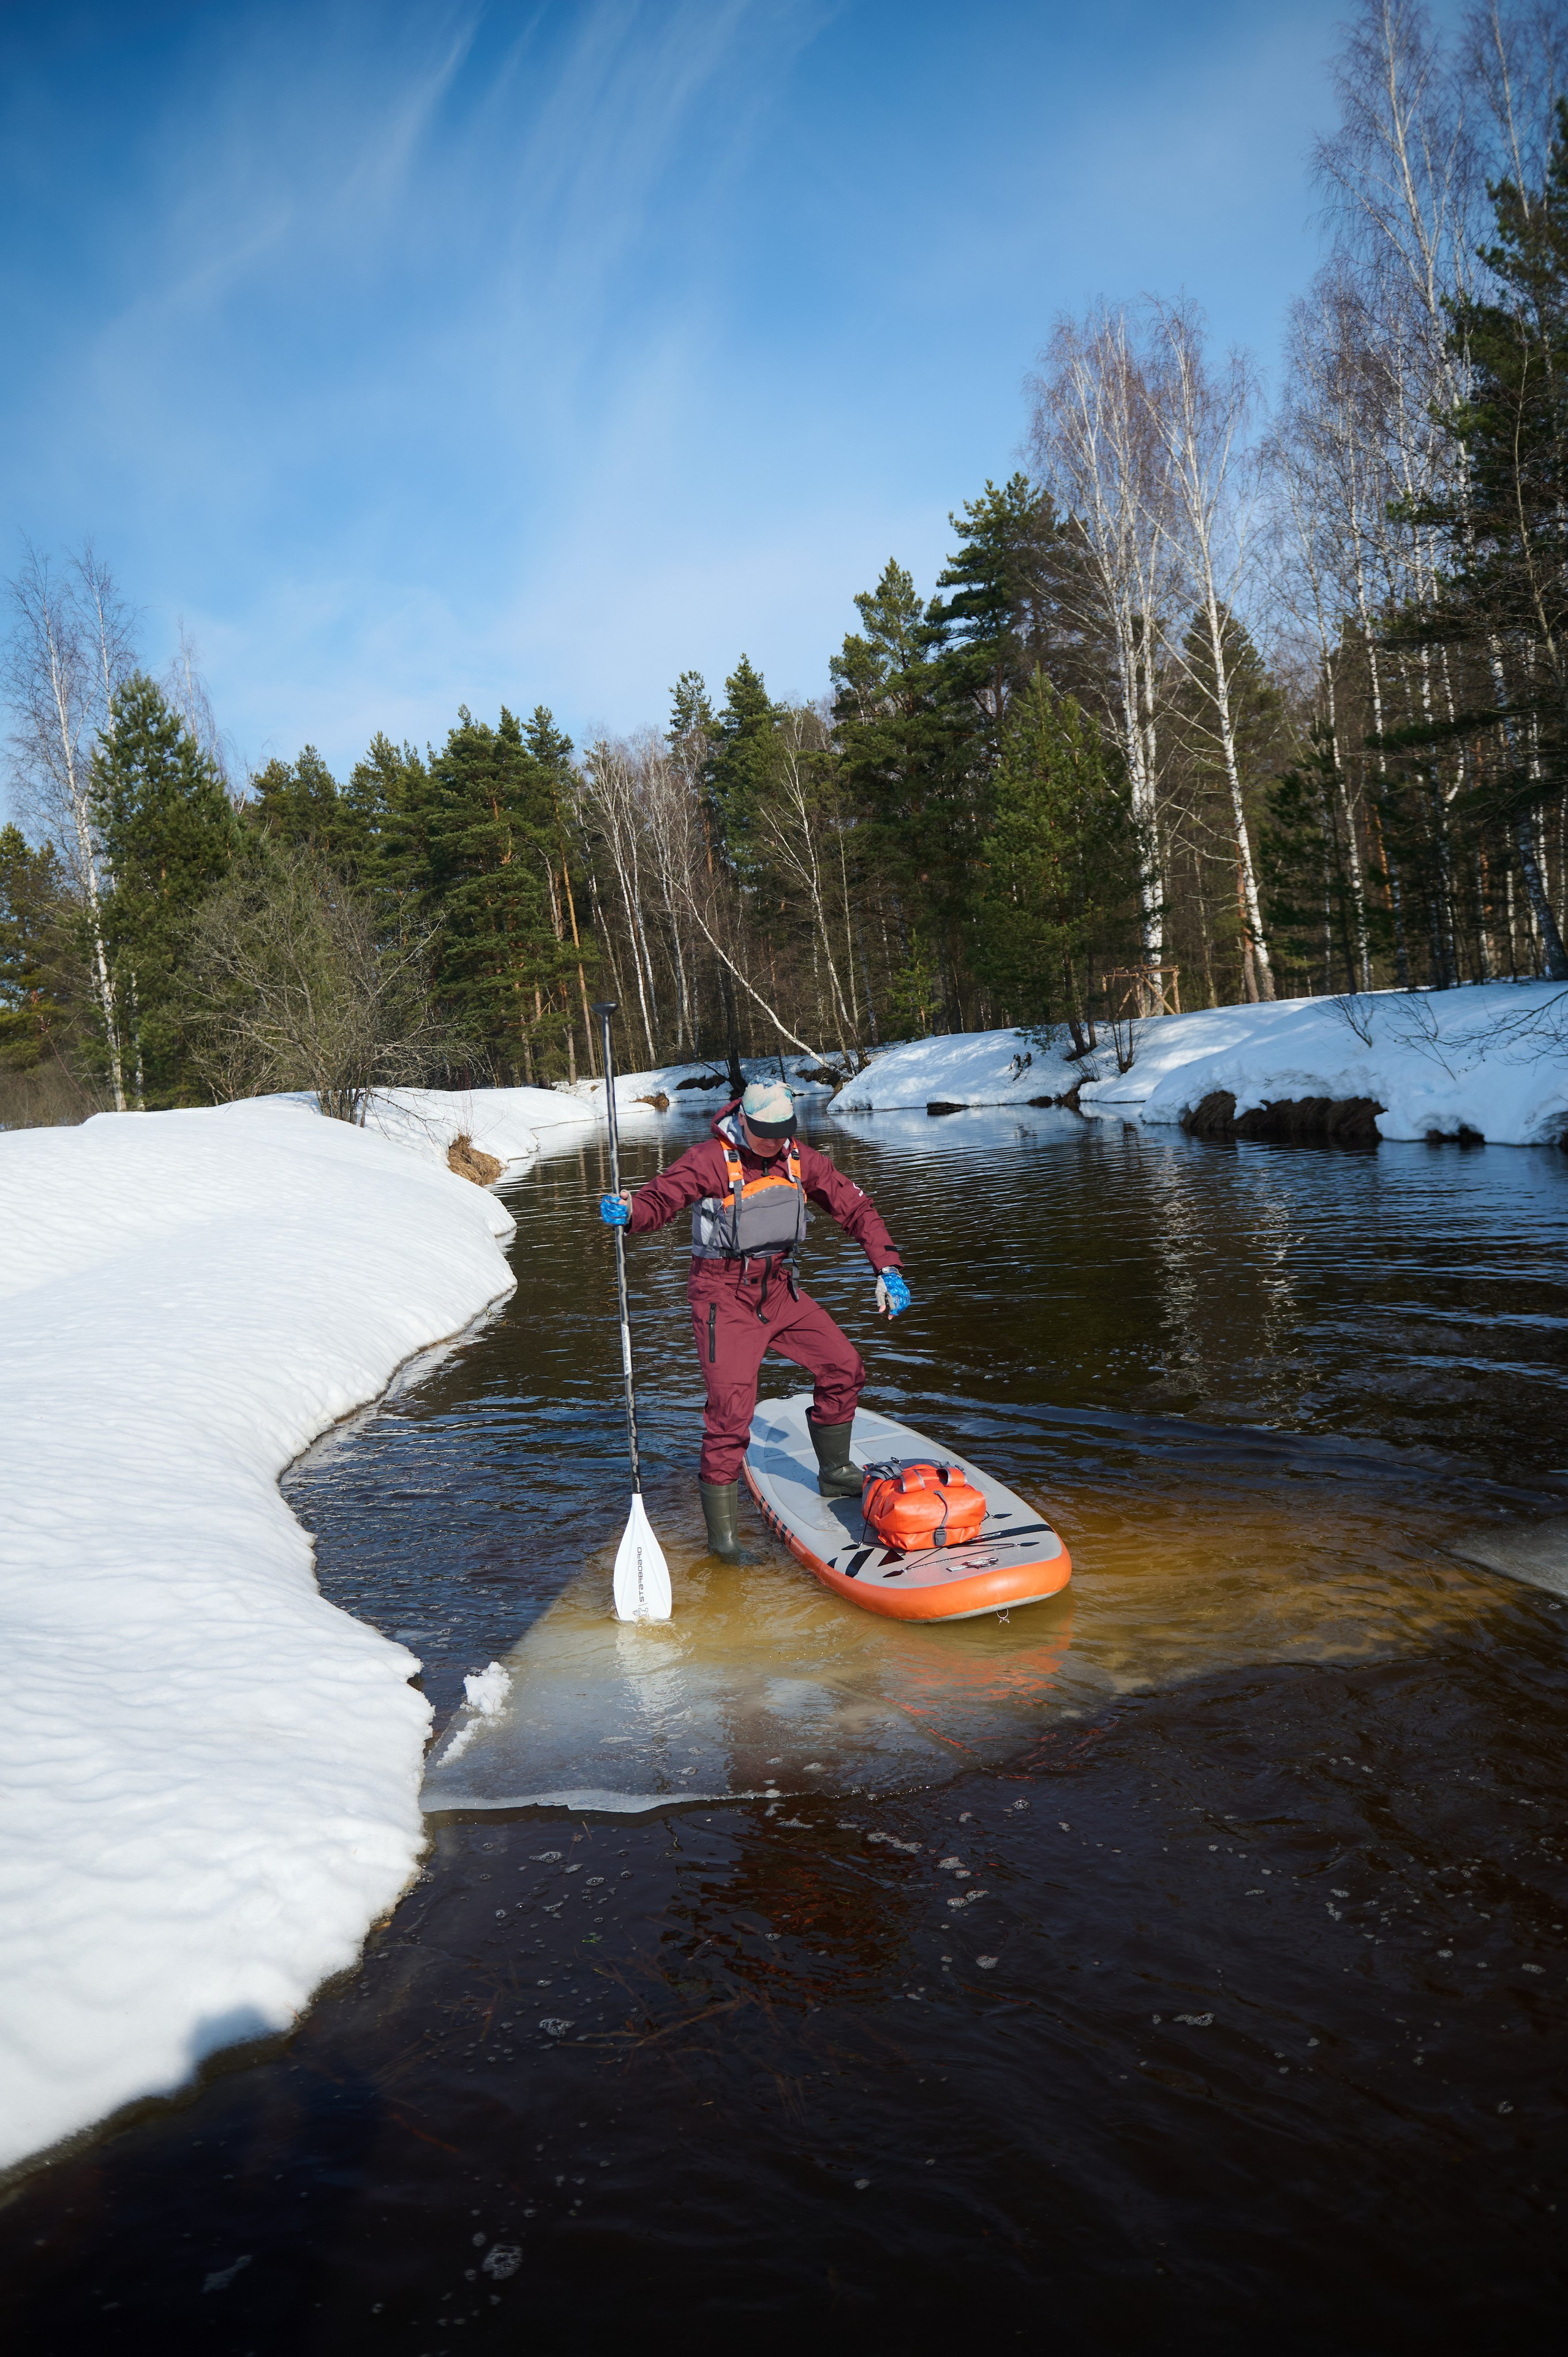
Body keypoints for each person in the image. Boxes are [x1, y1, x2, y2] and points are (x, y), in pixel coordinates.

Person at [598, 1077, 911, 1561]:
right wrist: (631, 1210)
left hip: (778, 1289)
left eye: (783, 1132)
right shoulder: (708, 1160)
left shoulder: (800, 1159)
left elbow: (856, 1208)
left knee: (844, 1367)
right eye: (765, 1132)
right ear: (743, 1120)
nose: (775, 1142)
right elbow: (659, 1202)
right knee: (730, 1415)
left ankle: (835, 1472)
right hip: (722, 1296)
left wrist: (886, 1267)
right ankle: (723, 1543)